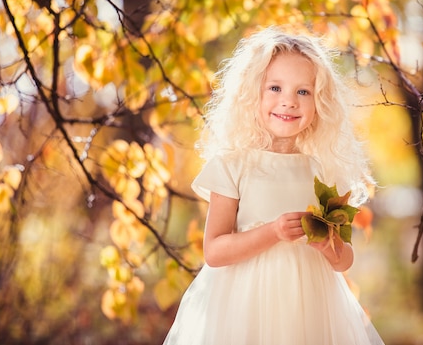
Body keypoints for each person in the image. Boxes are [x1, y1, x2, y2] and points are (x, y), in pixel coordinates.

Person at [163, 26, 384, 345]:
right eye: (275, 88)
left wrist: (327, 246)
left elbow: (344, 259)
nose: (289, 102)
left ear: (320, 101)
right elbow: (214, 250)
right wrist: (272, 232)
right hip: (242, 303)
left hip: (309, 305)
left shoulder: (325, 171)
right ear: (253, 92)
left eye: (303, 92)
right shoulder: (232, 165)